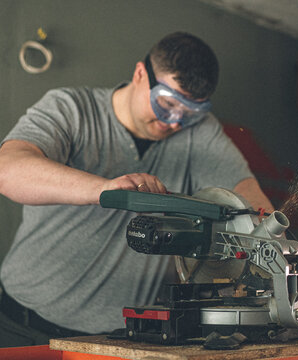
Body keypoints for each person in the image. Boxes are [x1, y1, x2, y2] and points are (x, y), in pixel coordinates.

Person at [0, 31, 273, 347]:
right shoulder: (71, 108)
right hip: (21, 326)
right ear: (141, 73)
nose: (174, 121)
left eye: (190, 112)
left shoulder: (200, 130)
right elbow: (8, 170)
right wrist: (107, 190)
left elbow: (246, 196)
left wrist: (264, 232)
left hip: (115, 342)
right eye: (167, 103)